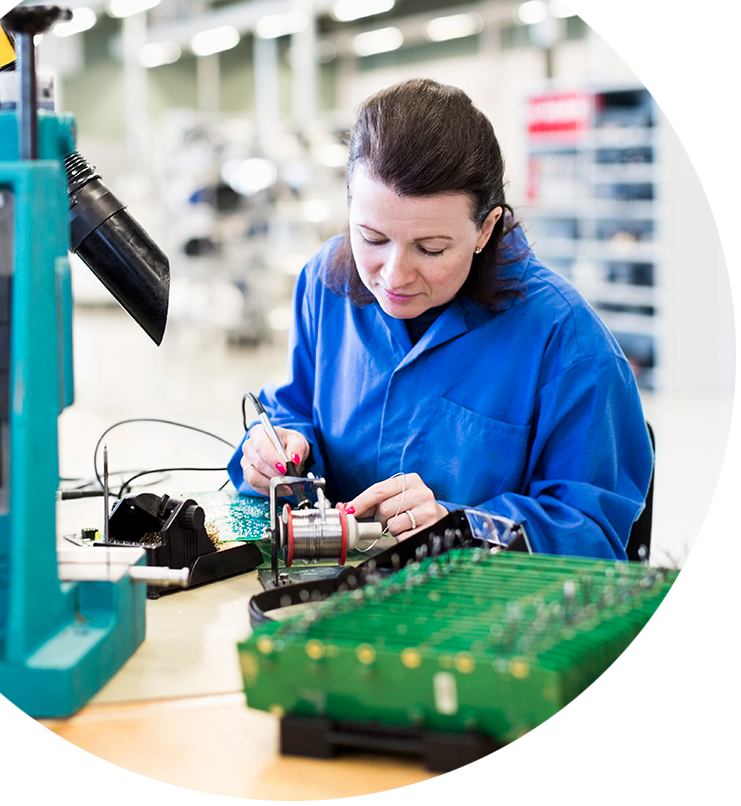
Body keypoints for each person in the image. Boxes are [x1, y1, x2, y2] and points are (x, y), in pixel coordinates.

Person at [228, 78, 652, 559]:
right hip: (336, 587)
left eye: (430, 249)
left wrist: (463, 529)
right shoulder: (325, 283)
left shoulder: (566, 341)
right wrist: (282, 450)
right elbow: (298, 409)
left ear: (485, 229)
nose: (394, 275)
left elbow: (593, 532)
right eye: (371, 237)